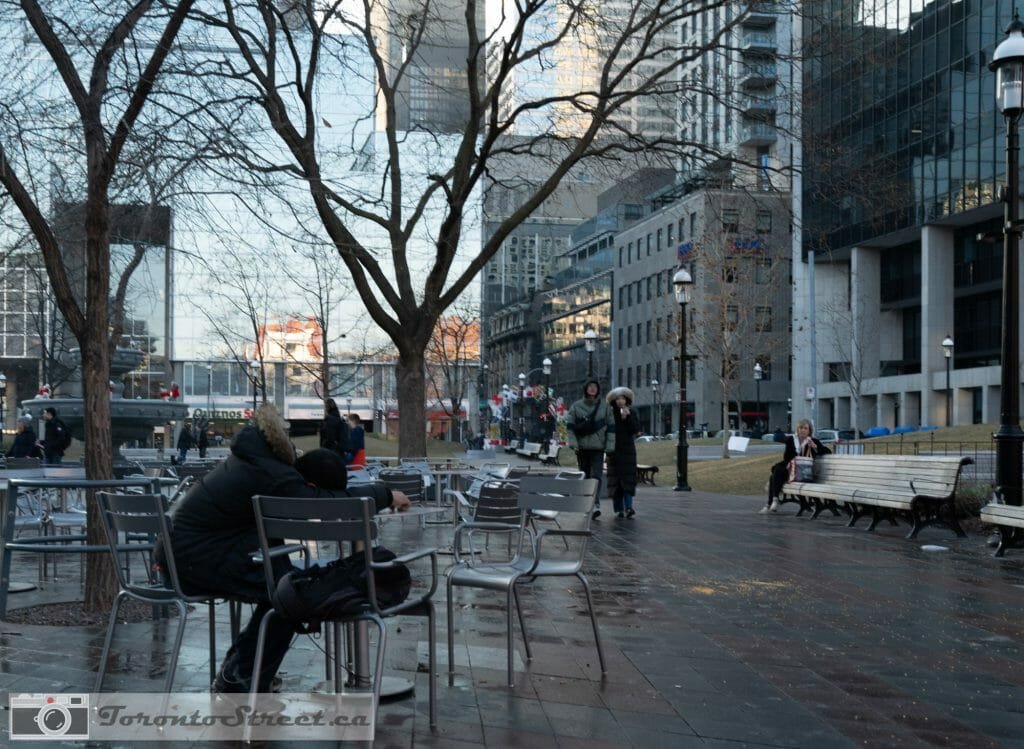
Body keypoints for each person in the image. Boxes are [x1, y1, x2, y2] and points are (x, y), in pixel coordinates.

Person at [166, 404, 410, 694]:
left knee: (284, 587)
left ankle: (242, 670)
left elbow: (314, 498)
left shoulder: (253, 460)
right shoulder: (269, 471)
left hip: (187, 556)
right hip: (197, 560)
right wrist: (385, 494)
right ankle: (243, 675)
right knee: (290, 596)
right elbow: (322, 503)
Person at [566, 379, 615, 519]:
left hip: (598, 448)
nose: (593, 389)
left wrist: (610, 446)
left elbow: (612, 428)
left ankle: (595, 503)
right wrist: (574, 444)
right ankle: (587, 503)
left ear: (598, 390)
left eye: (595, 387)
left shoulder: (605, 407)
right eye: (590, 386)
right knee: (585, 476)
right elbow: (570, 428)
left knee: (597, 476)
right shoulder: (576, 406)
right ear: (585, 389)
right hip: (581, 449)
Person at [762, 418, 832, 514]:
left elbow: (828, 452)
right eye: (801, 428)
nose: (803, 430)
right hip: (791, 469)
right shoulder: (791, 440)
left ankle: (771, 502)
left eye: (805, 428)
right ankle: (774, 500)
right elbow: (786, 457)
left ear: (809, 431)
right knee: (776, 472)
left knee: (774, 474)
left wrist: (816, 447)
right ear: (797, 429)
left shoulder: (813, 441)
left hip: (804, 472)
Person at [605, 387, 640, 519]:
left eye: (623, 398)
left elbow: (635, 429)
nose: (621, 401)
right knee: (616, 480)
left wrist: (627, 418)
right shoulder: (610, 413)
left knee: (628, 479)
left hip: (628, 450)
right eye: (618, 398)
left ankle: (629, 507)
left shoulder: (631, 412)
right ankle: (618, 508)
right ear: (614, 400)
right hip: (613, 450)